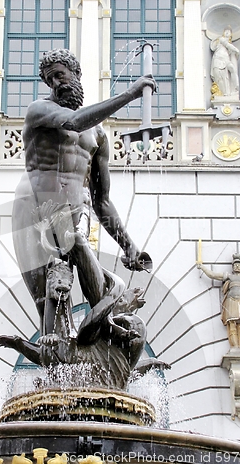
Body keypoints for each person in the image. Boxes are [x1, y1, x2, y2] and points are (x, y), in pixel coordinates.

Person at [12, 48, 155, 337]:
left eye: (61, 75)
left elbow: (102, 201)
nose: (56, 84)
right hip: (34, 207)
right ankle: (56, 358)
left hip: (76, 212)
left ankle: (101, 341)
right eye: (50, 79)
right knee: (49, 300)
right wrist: (130, 95)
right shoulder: (39, 110)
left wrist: (128, 246)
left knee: (81, 252)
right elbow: (75, 121)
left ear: (76, 74)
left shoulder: (99, 136)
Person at [197, 253, 240, 349]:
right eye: (235, 265)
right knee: (232, 323)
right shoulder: (229, 276)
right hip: (231, 301)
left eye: (239, 265)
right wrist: (202, 267)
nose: (237, 266)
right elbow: (213, 275)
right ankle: (235, 347)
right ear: (232, 267)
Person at [210, 26, 239, 98]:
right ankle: (224, 93)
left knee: (232, 69)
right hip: (218, 59)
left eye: (228, 32)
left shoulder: (228, 44)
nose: (227, 32)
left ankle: (235, 88)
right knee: (220, 77)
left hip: (225, 60)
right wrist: (236, 50)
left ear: (231, 35)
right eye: (225, 31)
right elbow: (227, 45)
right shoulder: (221, 39)